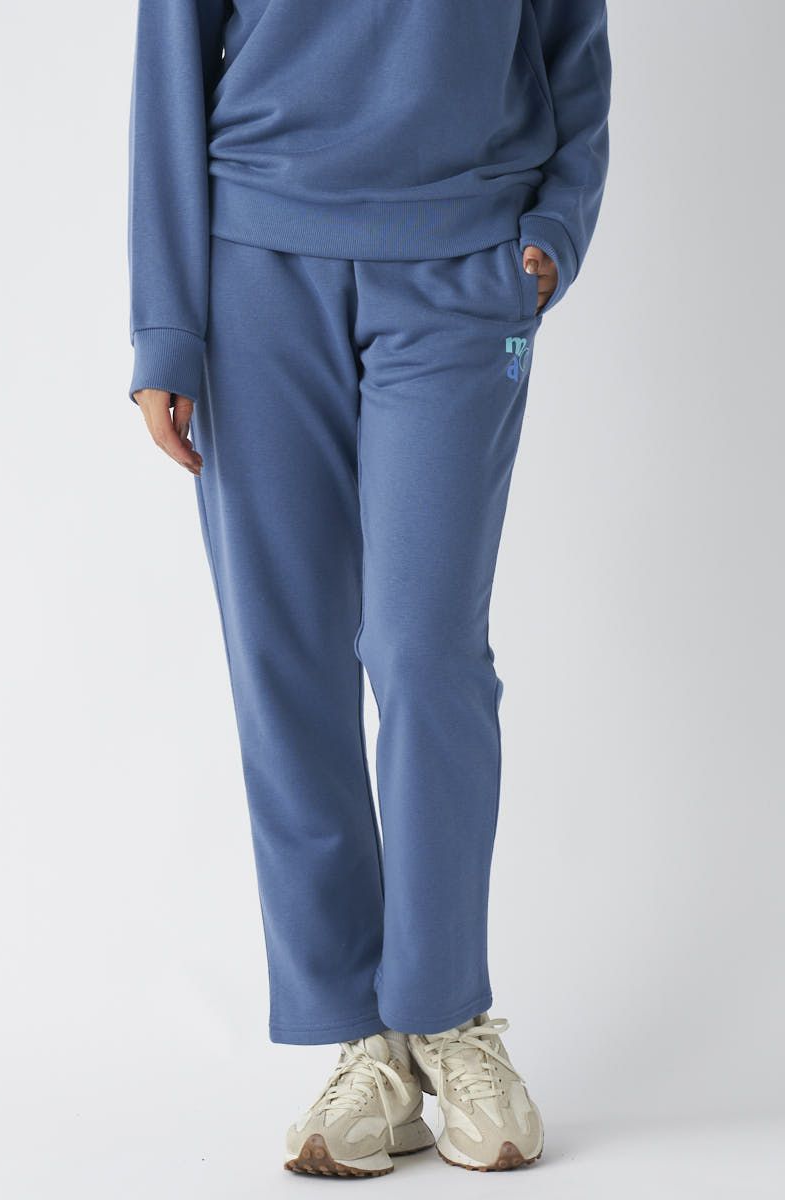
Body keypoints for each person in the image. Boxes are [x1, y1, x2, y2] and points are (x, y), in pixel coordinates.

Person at [127, 0, 610, 1176]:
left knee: (422, 648)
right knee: (285, 659)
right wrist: (165, 324)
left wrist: (554, 226)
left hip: (464, 265)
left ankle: (446, 1014)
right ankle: (366, 1045)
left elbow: (573, 43)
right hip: (255, 268)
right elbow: (168, 62)